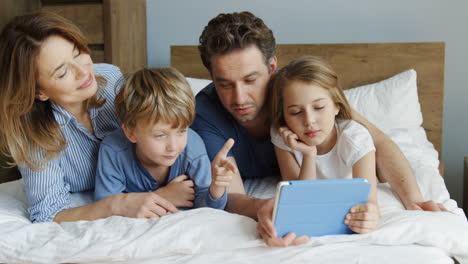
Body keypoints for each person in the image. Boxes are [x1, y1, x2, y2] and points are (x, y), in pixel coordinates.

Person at [191, 11, 446, 247]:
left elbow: (377, 141)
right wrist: (267, 207)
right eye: (224, 84)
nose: (238, 98)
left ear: (271, 69)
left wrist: (414, 200)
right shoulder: (205, 114)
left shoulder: (301, 91)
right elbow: (233, 194)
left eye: (250, 80)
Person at [0, 12, 180, 223]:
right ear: (39, 92)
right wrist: (117, 205)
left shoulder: (111, 80)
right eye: (62, 73)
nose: (83, 72)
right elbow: (49, 213)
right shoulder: (33, 133)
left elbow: (165, 136)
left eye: (77, 54)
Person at [94, 67, 234, 211]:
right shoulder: (114, 150)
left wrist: (216, 189)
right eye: (160, 135)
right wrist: (163, 196)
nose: (173, 147)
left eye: (181, 131)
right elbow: (106, 206)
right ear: (131, 133)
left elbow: (207, 209)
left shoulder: (193, 146)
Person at [270, 56, 380, 233]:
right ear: (284, 115)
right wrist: (308, 155)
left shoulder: (355, 138)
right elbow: (301, 203)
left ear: (337, 106)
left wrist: (369, 216)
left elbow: (370, 202)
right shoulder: (282, 136)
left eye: (319, 107)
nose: (309, 121)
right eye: (296, 112)